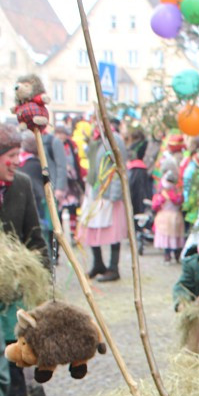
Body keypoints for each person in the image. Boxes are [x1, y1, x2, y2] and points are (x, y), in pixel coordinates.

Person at [0, 123, 50, 396]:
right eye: (11, 155)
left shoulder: (21, 186)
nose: (18, 160)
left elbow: (35, 236)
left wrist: (43, 280)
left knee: (15, 365)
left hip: (11, 297)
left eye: (19, 153)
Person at [77, 120, 128, 282]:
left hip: (108, 193)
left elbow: (118, 166)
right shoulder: (97, 140)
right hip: (95, 191)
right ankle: (98, 263)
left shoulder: (115, 139)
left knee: (113, 231)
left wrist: (115, 193)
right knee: (91, 228)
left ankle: (114, 268)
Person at [152, 170, 184, 262]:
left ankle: (167, 255)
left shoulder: (161, 194)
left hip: (164, 217)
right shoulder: (178, 194)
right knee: (176, 236)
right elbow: (181, 203)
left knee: (166, 237)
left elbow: (155, 205)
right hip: (176, 217)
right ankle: (177, 253)